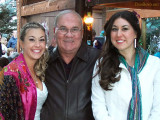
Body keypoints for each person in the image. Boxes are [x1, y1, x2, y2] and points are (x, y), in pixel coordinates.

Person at [91, 10, 160, 120]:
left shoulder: (154, 65)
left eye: (125, 29)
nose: (119, 34)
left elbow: (158, 109)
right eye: (114, 29)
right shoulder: (102, 64)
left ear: (135, 33)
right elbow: (99, 107)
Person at [40, 10, 100, 120]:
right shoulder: (43, 61)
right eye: (63, 29)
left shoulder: (98, 59)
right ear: (55, 31)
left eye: (74, 29)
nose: (69, 34)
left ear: (82, 33)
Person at [0, 22, 49, 120]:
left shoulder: (41, 68)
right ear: (21, 43)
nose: (37, 44)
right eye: (32, 39)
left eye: (41, 40)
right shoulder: (10, 74)